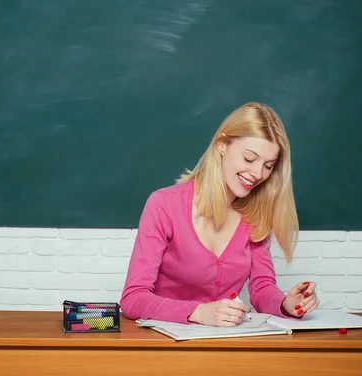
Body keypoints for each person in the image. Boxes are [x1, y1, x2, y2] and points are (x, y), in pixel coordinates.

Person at [120, 102, 319, 327]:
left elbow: (262, 287)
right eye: (250, 159)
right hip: (165, 345)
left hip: (225, 343)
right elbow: (133, 298)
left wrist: (285, 305)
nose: (257, 174)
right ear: (222, 144)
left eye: (268, 165)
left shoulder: (256, 214)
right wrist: (198, 312)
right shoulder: (164, 205)